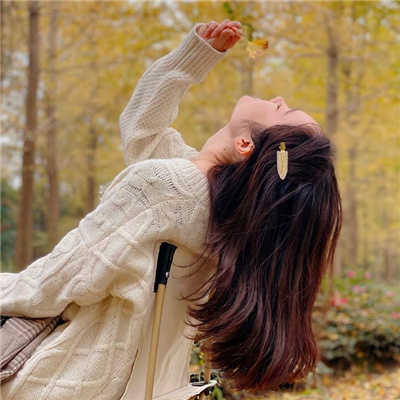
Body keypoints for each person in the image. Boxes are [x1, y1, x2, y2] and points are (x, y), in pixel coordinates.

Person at [0, 19, 341, 399]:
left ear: (245, 144)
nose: (279, 98)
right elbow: (142, 132)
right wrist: (193, 57)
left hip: (54, 376)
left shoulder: (168, 188)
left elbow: (61, 278)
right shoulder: (215, 210)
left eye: (283, 111)